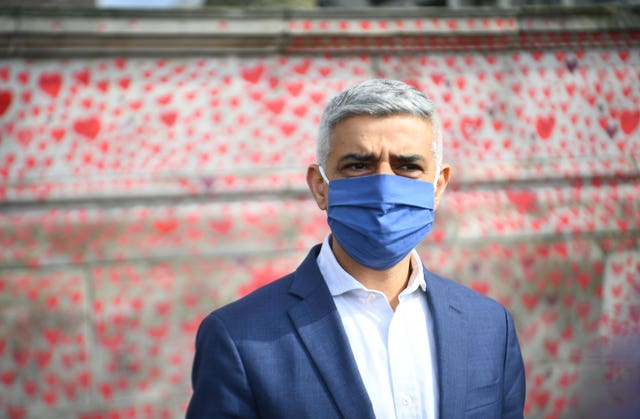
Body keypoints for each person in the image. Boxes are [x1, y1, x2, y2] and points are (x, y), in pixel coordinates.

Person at [186, 79, 526, 418]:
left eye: (407, 166)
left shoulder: (491, 327)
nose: (383, 186)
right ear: (320, 187)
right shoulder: (240, 338)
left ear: (437, 186)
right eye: (358, 166)